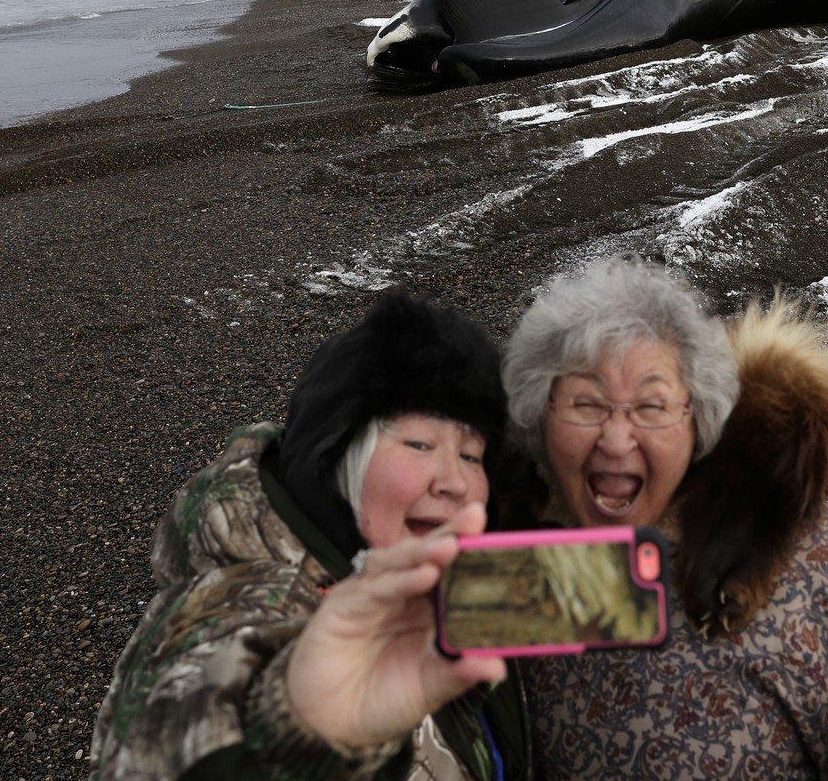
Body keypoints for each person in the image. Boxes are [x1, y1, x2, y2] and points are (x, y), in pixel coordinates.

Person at [500, 257, 828, 779]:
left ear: (698, 416)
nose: (614, 440)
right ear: (540, 412)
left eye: (651, 405)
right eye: (586, 403)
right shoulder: (513, 558)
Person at [91, 291, 533, 781]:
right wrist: (298, 734)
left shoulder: (453, 576)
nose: (452, 480)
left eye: (471, 456)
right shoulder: (245, 600)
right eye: (419, 444)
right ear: (338, 453)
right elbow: (182, 727)